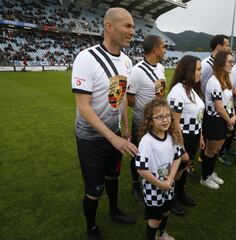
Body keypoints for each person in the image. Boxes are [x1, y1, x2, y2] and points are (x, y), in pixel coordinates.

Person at [71, 8, 138, 240]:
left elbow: (118, 98)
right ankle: (91, 228)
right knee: (94, 189)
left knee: (113, 177)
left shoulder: (128, 62)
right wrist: (113, 137)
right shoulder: (86, 58)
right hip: (91, 137)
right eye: (127, 26)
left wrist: (125, 127)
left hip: (116, 133)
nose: (133, 31)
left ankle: (114, 211)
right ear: (109, 27)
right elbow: (83, 107)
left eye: (133, 26)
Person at [136, 99, 184, 240]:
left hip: (168, 183)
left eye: (168, 116)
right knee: (155, 219)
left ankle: (161, 234)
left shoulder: (171, 136)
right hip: (153, 186)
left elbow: (177, 157)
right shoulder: (146, 141)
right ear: (150, 121)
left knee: (166, 211)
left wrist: (170, 178)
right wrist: (160, 184)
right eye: (159, 117)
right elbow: (141, 169)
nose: (165, 120)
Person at [127, 35, 167, 203]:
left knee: (155, 151)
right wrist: (146, 111)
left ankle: (152, 180)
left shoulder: (161, 68)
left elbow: (160, 93)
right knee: (138, 153)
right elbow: (129, 100)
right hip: (141, 121)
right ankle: (136, 184)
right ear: (155, 49)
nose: (165, 50)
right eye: (163, 47)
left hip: (158, 120)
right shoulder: (137, 71)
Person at [167, 55, 205, 215]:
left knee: (184, 168)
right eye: (198, 70)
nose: (200, 73)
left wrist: (201, 136)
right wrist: (181, 148)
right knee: (176, 170)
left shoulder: (192, 90)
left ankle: (180, 192)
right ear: (188, 71)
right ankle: (171, 198)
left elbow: (198, 117)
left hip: (193, 136)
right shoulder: (177, 92)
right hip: (181, 137)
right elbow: (174, 124)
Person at [201, 50, 236, 189]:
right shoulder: (214, 81)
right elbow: (219, 107)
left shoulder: (225, 79)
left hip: (224, 119)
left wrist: (234, 114)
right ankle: (205, 177)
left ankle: (210, 173)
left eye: (232, 61)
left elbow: (230, 100)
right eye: (229, 62)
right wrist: (229, 120)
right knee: (210, 151)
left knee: (217, 150)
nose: (232, 64)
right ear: (221, 63)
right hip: (214, 120)